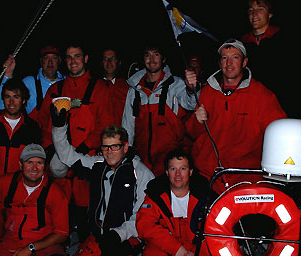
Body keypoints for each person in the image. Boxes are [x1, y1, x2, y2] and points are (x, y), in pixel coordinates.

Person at [50, 106, 154, 256]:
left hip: (126, 237)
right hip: (99, 234)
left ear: (125, 147)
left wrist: (119, 233)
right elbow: (66, 155)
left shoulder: (141, 173)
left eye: (115, 146)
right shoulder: (97, 164)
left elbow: (143, 216)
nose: (109, 152)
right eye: (105, 147)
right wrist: (59, 126)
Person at [185, 39, 286, 194]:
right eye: (224, 58)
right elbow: (191, 133)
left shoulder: (261, 95)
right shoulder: (208, 91)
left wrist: (299, 162)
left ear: (244, 62)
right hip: (208, 178)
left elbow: (282, 134)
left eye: (235, 57)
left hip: (246, 181)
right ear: (219, 63)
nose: (229, 63)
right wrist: (197, 120)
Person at [36, 43, 114, 241]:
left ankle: (85, 250)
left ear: (86, 58)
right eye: (69, 57)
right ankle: (59, 252)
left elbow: (105, 124)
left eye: (77, 56)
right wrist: (50, 150)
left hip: (86, 161)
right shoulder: (55, 90)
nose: (73, 61)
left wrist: (81, 150)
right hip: (59, 162)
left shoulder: (100, 88)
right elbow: (44, 122)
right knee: (58, 209)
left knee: (87, 209)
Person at [136, 149, 224, 256]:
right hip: (170, 247)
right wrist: (176, 248)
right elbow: (144, 224)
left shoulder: (207, 196)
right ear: (167, 172)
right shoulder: (155, 194)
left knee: (217, 254)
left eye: (183, 169)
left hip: (196, 248)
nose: (178, 174)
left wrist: (198, 255)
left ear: (190, 172)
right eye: (173, 169)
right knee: (152, 255)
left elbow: (218, 233)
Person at [121, 44, 197, 177]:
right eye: (147, 55)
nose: (152, 59)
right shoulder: (134, 89)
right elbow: (127, 124)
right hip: (142, 161)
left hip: (171, 161)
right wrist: (127, 151)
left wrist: (192, 88)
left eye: (156, 54)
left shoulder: (176, 84)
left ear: (163, 59)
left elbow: (191, 104)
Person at [0, 44, 64, 119]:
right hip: (36, 129)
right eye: (46, 58)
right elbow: (2, 105)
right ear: (41, 61)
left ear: (59, 61)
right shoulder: (29, 82)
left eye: (54, 58)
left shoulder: (66, 82)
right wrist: (8, 74)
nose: (50, 62)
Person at [100, 48, 129, 125]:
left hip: (122, 133)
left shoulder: (128, 86)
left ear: (119, 62)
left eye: (112, 59)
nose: (109, 62)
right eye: (105, 59)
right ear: (102, 62)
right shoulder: (94, 87)